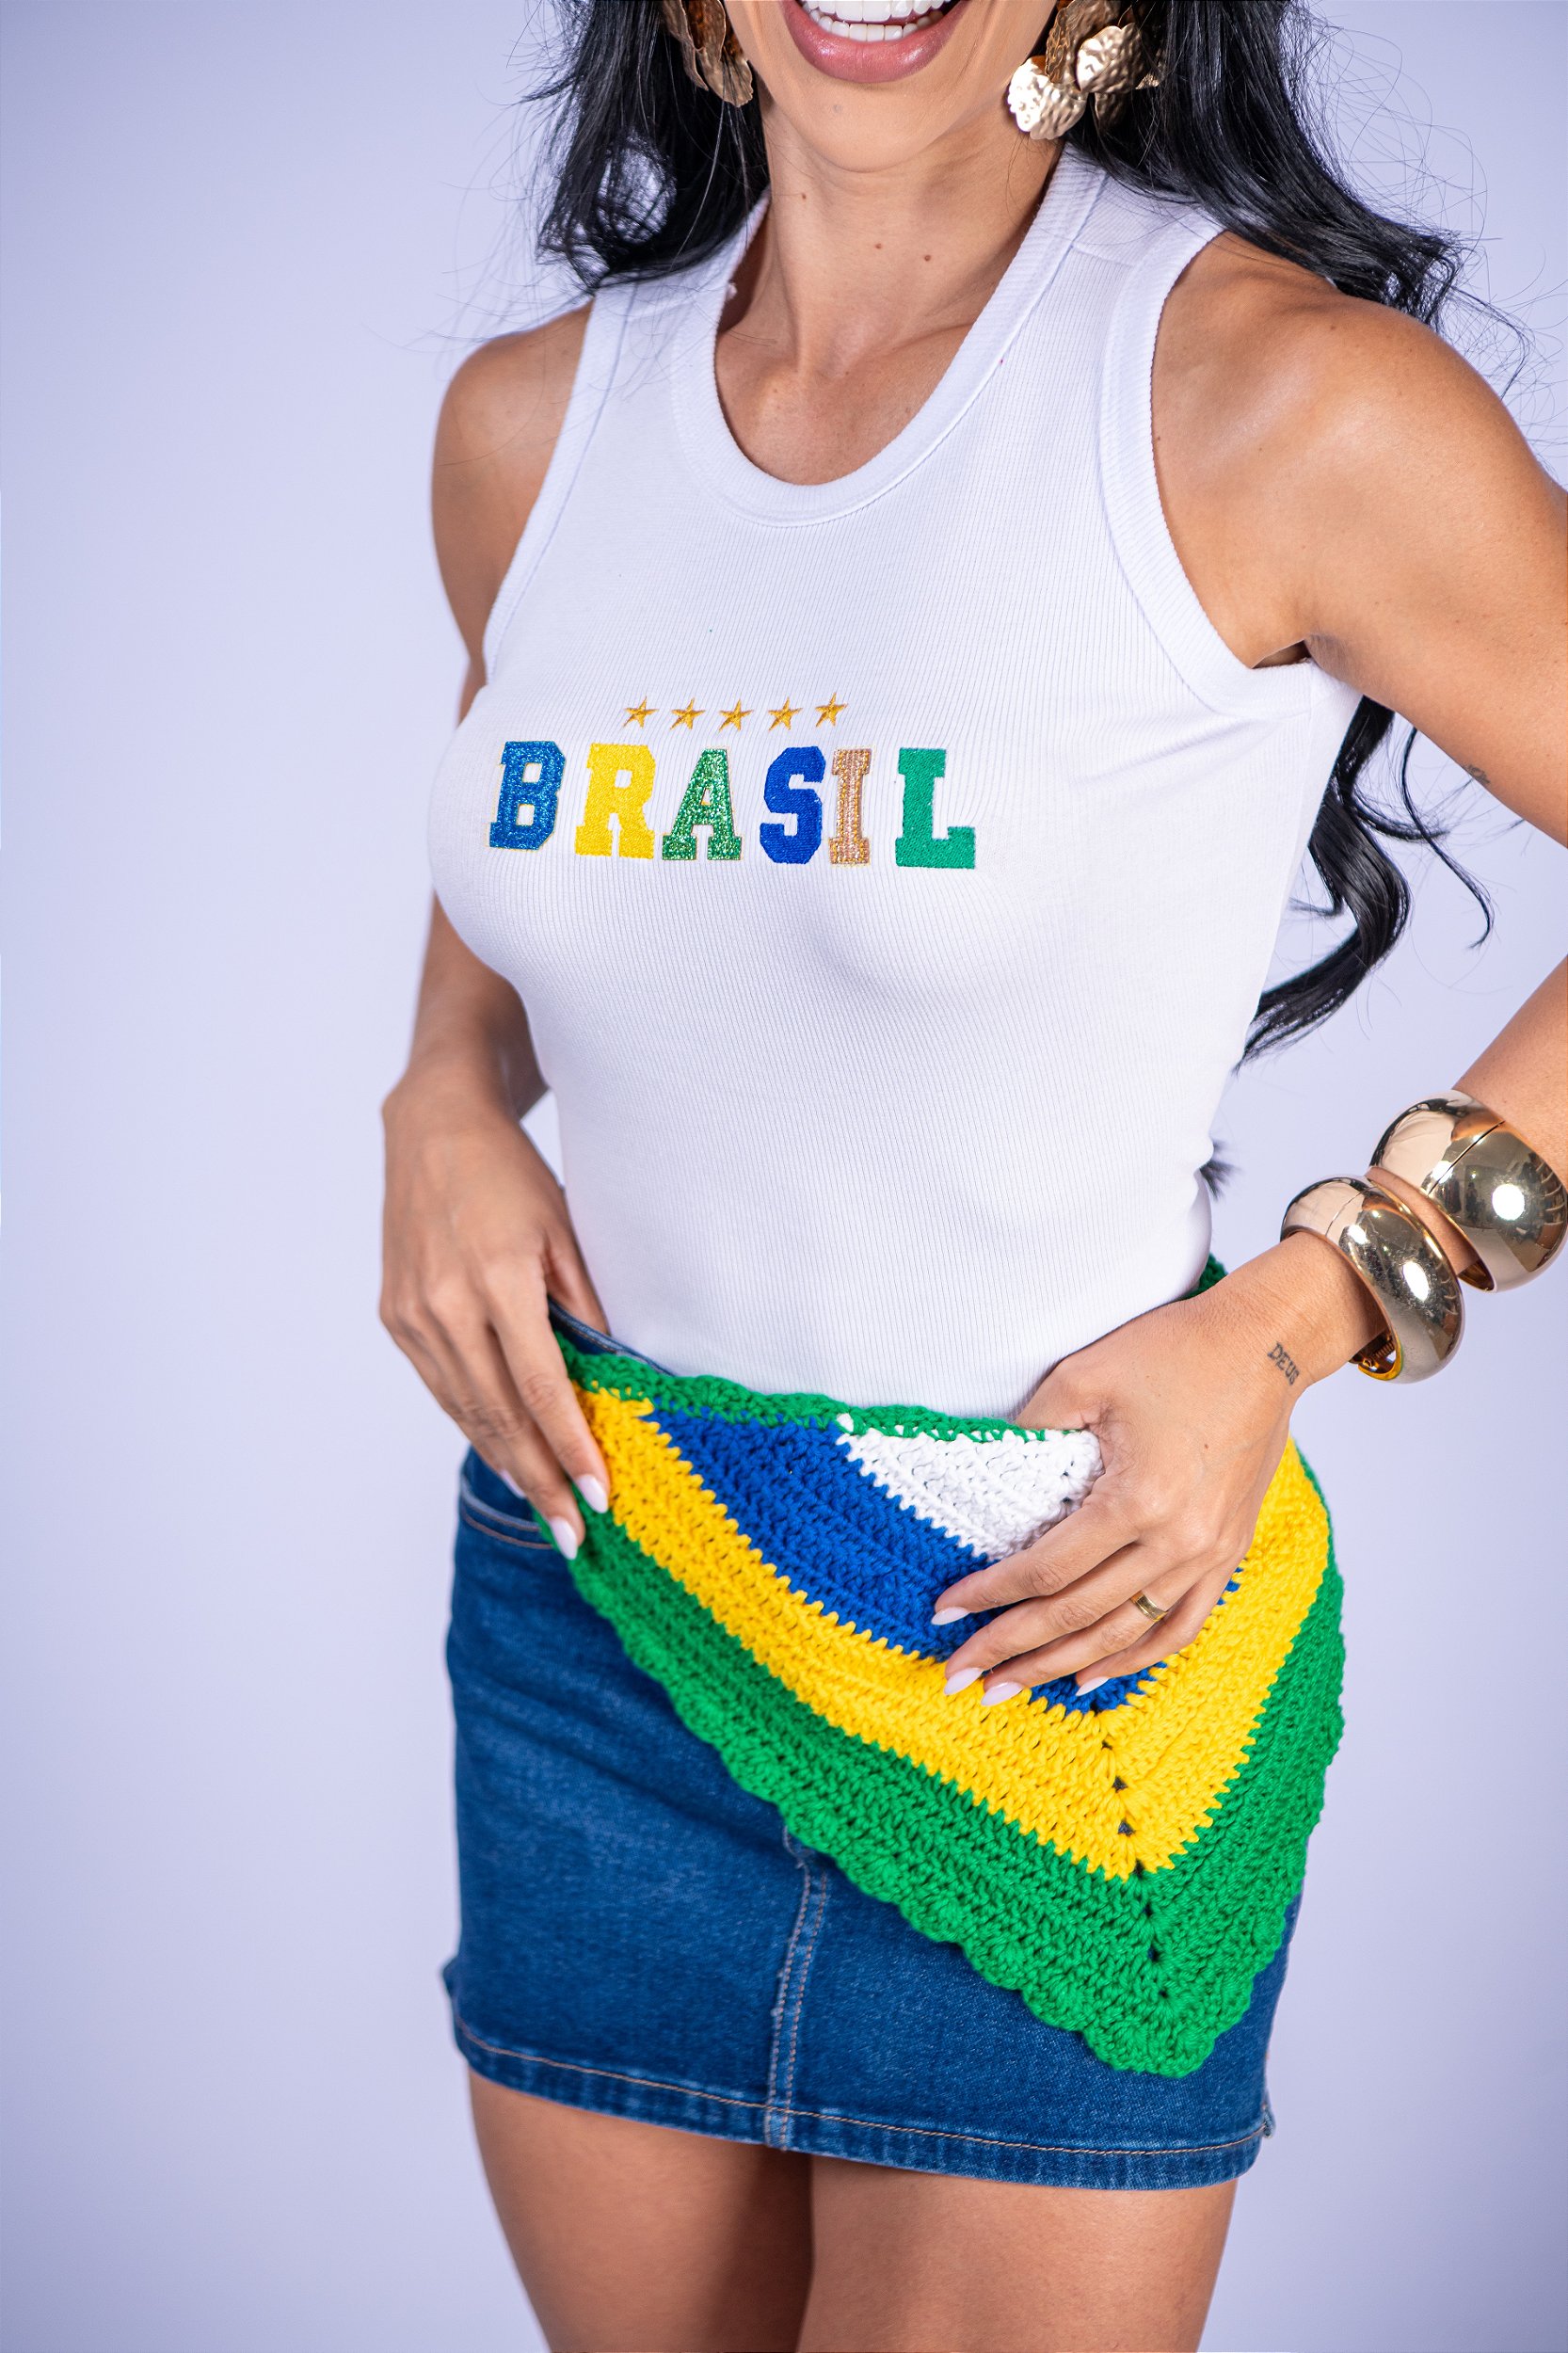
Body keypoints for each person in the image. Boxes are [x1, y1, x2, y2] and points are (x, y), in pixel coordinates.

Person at [381, 2, 1566, 2345]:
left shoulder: (1272, 401)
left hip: (1058, 1639)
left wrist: (1308, 1303)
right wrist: (435, 1092)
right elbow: (563, 861)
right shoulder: (527, 427)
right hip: (593, 1595)